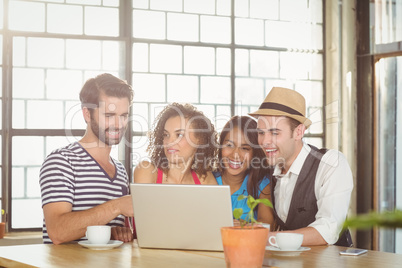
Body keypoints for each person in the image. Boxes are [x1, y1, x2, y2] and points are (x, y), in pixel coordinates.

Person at [249, 87, 353, 247]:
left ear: (298, 132)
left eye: (275, 133)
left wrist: (267, 238)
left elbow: (328, 230)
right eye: (261, 133)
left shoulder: (330, 164)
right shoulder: (270, 167)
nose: (264, 141)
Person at [39, 73, 134, 245]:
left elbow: (106, 233)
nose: (119, 124)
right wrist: (117, 206)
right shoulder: (61, 162)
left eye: (123, 115)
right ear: (87, 114)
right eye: (109, 115)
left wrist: (117, 232)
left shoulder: (120, 171)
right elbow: (58, 232)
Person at [134, 102, 217, 185]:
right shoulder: (147, 170)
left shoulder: (204, 178)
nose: (169, 142)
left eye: (179, 135)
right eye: (166, 135)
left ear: (200, 140)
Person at [214, 116, 274, 225]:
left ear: (255, 153)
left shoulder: (262, 185)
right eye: (229, 145)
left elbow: (267, 223)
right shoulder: (208, 180)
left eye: (245, 148)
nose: (235, 154)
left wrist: (242, 226)